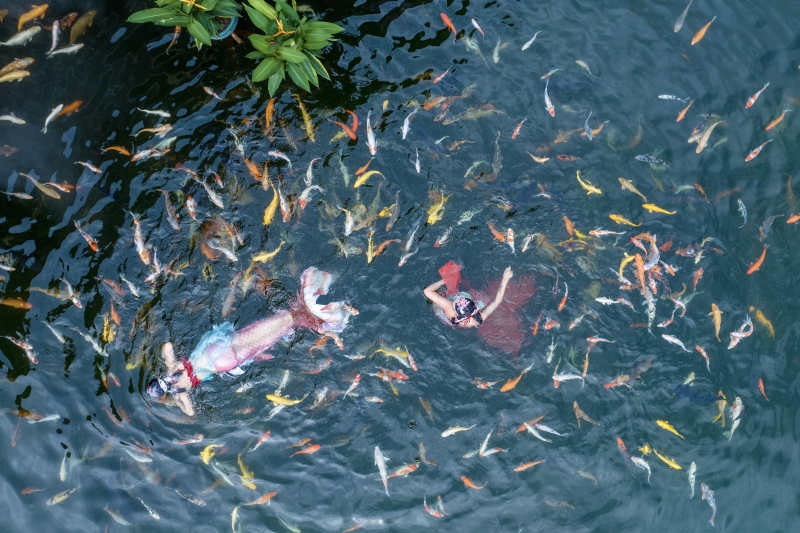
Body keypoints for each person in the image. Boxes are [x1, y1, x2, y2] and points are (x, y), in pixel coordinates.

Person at [146, 267, 357, 416]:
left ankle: (314, 315)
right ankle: (307, 303)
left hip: (224, 364)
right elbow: (167, 346)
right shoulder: (171, 366)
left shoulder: (182, 391)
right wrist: (168, 363)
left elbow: (191, 412)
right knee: (270, 325)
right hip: (215, 349)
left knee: (268, 340)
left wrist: (176, 401)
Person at [423, 262, 513, 328]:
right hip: (462, 322)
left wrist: (446, 280)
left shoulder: (449, 307)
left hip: (451, 319)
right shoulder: (477, 319)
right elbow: (496, 301)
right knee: (485, 298)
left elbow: (427, 291)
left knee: (437, 304)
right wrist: (505, 280)